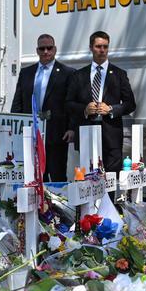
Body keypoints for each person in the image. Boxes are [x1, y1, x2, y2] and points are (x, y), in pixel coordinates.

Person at [66, 30, 136, 172]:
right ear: (91, 47)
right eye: (98, 46)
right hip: (86, 134)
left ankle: (110, 196)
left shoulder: (119, 74)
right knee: (88, 181)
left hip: (111, 136)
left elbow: (131, 104)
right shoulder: (78, 75)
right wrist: (85, 109)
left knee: (111, 180)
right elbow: (68, 104)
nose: (102, 50)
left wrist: (111, 109)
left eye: (105, 46)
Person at [11, 33, 74, 181]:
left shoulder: (67, 73)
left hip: (57, 133)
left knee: (58, 175)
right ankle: (39, 204)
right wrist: (15, 125)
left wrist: (71, 128)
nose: (46, 51)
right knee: (35, 175)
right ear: (37, 50)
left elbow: (70, 104)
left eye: (49, 48)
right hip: (31, 133)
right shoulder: (26, 72)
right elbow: (17, 102)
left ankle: (57, 204)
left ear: (55, 49)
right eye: (42, 48)